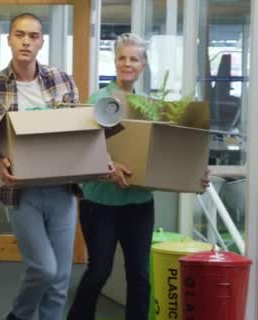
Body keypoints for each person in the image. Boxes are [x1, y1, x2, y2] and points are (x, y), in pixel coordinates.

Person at [67, 33, 210, 320]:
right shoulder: (98, 100)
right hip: (100, 204)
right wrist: (110, 163)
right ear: (115, 61)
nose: (127, 64)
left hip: (139, 205)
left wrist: (194, 173)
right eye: (122, 58)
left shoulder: (151, 108)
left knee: (140, 275)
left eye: (134, 59)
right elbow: (82, 148)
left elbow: (167, 154)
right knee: (99, 272)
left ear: (143, 65)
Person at [0, 13, 84, 320]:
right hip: (22, 192)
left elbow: (77, 132)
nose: (26, 41)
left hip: (62, 189)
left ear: (41, 42)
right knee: (44, 269)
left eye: (34, 36)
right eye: (20, 35)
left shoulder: (62, 80)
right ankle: (20, 315)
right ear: (8, 39)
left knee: (60, 280)